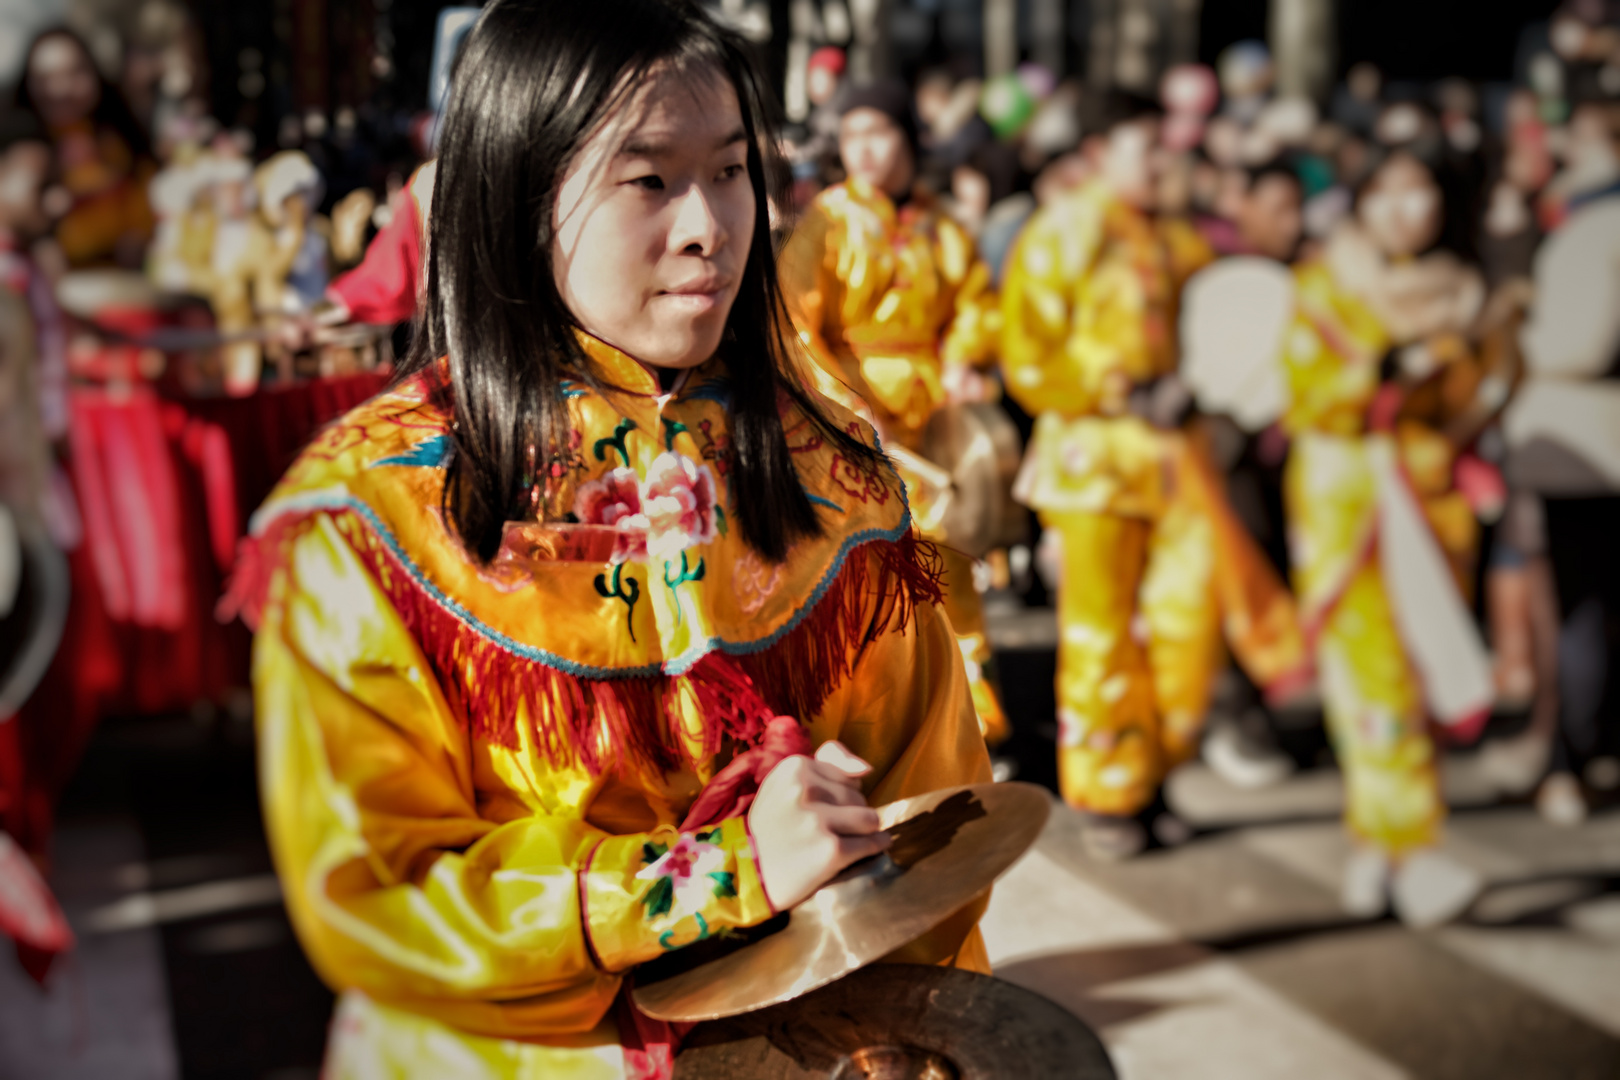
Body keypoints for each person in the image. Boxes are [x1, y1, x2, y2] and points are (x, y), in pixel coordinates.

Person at [230, 3, 991, 1076]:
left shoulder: (830, 469)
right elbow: (381, 896)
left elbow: (934, 815)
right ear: (518, 191)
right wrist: (710, 878)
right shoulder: (370, 518)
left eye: (730, 171)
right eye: (650, 181)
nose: (709, 228)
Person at [999, 96, 1308, 859]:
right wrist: (1115, 390)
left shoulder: (1176, 240)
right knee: (1100, 636)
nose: (1165, 165)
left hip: (1175, 460)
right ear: (1101, 151)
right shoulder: (1063, 232)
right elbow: (1028, 355)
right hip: (1092, 464)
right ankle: (1111, 797)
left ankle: (1155, 771)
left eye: (1169, 152)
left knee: (1184, 627)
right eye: (1150, 150)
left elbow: (1222, 332)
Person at [1276, 150, 1498, 926]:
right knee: (1375, 677)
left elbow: (1480, 397)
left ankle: (1377, 845)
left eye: (1423, 187)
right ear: (1363, 204)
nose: (1409, 207)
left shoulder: (1466, 297)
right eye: (1390, 191)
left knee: (1418, 672)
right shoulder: (1326, 288)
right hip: (1352, 508)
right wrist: (1378, 372)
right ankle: (1412, 847)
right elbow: (1304, 397)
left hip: (1432, 505)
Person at [778, 80, 1011, 746]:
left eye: (878, 132)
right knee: (868, 572)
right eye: (851, 137)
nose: (864, 150)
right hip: (857, 420)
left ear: (909, 138)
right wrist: (845, 404)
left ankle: (977, 723)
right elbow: (796, 325)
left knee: (952, 567)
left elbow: (975, 304)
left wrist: (967, 357)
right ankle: (881, 729)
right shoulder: (827, 218)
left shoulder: (941, 224)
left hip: (934, 415)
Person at [15, 28, 154, 270]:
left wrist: (140, 233)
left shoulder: (118, 133)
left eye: (74, 72)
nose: (60, 89)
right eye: (45, 77)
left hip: (125, 273)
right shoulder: (19, 149)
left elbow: (145, 185)